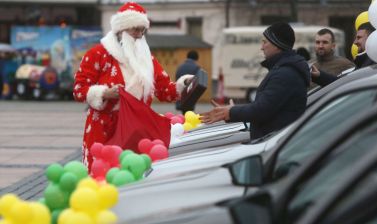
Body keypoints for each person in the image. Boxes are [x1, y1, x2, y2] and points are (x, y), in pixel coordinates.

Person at [73, 2, 193, 170]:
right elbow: (79, 90)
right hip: (104, 129)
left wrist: (184, 84)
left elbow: (166, 91)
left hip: (137, 130)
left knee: (133, 175)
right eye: (135, 30)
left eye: (142, 31)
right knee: (103, 174)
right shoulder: (98, 54)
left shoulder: (147, 59)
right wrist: (105, 93)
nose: (139, 35)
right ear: (121, 30)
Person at [200, 22, 310, 140]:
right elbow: (265, 107)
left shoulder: (285, 74)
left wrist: (230, 112)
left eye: (265, 42)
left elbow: (261, 110)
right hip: (273, 140)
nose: (261, 47)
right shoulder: (283, 70)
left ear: (277, 45)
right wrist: (232, 111)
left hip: (275, 142)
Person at [311, 22, 376, 87]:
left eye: (325, 42)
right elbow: (343, 83)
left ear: (333, 46)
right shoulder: (310, 64)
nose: (320, 46)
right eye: (317, 42)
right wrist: (319, 75)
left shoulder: (346, 64)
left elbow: (345, 86)